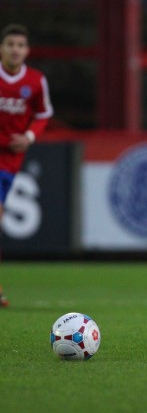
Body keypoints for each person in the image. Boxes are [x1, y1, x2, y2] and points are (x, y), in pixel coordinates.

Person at [0, 24, 54, 308]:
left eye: (20, 45)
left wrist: (30, 136)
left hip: (9, 161)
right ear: (2, 48)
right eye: (10, 44)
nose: (15, 49)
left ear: (27, 50)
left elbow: (44, 114)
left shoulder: (35, 81)